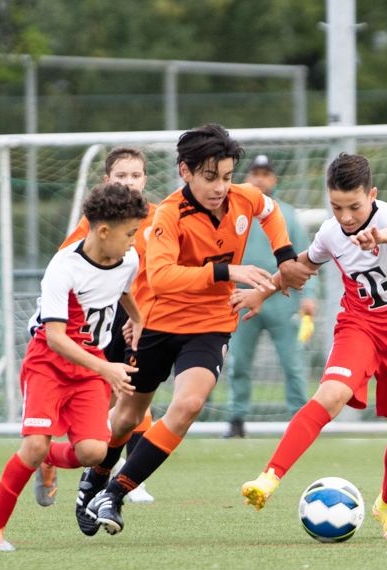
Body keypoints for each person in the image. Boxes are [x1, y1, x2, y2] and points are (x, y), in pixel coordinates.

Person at [80, 123, 315, 536]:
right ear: (185, 172)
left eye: (226, 177)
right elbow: (164, 276)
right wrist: (228, 270)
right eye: (210, 178)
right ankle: (96, 477)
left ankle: (114, 493)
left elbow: (270, 210)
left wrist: (285, 256)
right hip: (160, 322)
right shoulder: (169, 215)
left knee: (188, 406)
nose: (221, 187)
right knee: (126, 419)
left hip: (210, 324)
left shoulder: (243, 198)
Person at [238, 153, 387, 540]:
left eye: (354, 206)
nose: (345, 216)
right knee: (331, 394)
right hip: (359, 326)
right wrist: (264, 292)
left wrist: (379, 236)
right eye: (336, 206)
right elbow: (303, 265)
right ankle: (269, 476)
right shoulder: (330, 232)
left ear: (372, 195)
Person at [0, 183, 147, 551]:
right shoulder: (63, 267)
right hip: (49, 363)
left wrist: (138, 320)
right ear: (103, 231)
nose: (135, 241)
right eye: (131, 233)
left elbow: (123, 289)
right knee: (33, 445)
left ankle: (47, 458)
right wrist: (108, 369)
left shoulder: (127, 259)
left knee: (94, 454)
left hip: (90, 367)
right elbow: (54, 337)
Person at [34, 146, 157, 507]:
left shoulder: (155, 217)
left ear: (145, 179)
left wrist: (143, 315)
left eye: (135, 176)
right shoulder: (94, 225)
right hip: (99, 319)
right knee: (114, 392)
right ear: (107, 181)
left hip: (139, 314)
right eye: (121, 176)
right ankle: (64, 456)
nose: (129, 182)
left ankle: (127, 475)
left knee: (135, 392)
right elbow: (69, 267)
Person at [224, 155, 316, 438]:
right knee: (238, 362)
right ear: (247, 177)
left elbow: (307, 256)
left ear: (274, 179)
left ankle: (300, 422)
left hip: (283, 299)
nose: (260, 179)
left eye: (266, 173)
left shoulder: (287, 214)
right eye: (255, 173)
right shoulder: (233, 212)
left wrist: (309, 295)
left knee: (293, 363)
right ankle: (236, 420)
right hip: (242, 299)